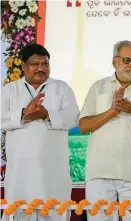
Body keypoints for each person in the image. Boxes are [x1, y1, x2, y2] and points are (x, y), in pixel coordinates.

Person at [78, 40, 131, 221]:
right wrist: (111, 112)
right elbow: (83, 126)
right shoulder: (98, 87)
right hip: (100, 172)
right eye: (127, 60)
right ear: (114, 62)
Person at [1, 43, 80, 221]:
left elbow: (72, 117)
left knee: (54, 213)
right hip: (20, 173)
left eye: (45, 64)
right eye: (35, 64)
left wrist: (46, 115)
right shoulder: (10, 90)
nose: (41, 68)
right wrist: (23, 114)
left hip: (53, 172)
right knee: (19, 213)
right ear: (23, 66)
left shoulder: (62, 88)